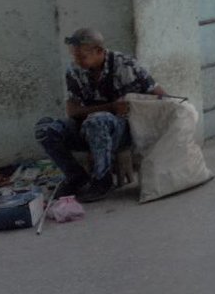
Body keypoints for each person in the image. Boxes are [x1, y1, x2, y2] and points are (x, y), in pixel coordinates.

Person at [34, 28, 167, 203]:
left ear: (99, 51)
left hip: (124, 132)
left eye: (82, 57)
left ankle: (102, 180)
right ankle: (76, 177)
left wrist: (137, 108)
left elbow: (160, 95)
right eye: (74, 56)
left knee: (97, 121)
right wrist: (111, 107)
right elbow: (72, 111)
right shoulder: (75, 71)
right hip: (87, 129)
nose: (77, 61)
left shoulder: (125, 65)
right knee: (45, 128)